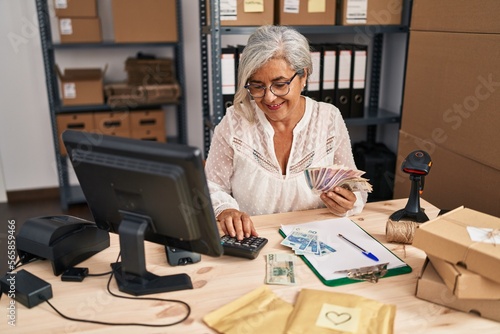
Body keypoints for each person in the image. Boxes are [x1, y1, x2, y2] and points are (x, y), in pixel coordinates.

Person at [205, 25, 368, 240]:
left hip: (318, 238)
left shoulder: (329, 118)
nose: (269, 97)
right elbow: (211, 186)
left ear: (304, 76)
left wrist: (349, 202)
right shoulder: (234, 121)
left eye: (280, 84)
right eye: (257, 86)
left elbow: (358, 189)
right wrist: (225, 210)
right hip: (254, 240)